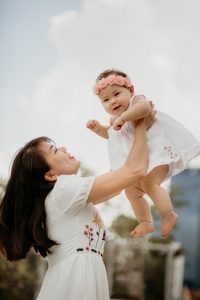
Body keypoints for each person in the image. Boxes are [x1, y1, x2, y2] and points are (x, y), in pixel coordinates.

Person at [0, 111, 155, 300]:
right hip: (74, 282)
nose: (64, 148)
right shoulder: (63, 189)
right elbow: (134, 171)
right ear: (50, 175)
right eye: (55, 151)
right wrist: (139, 123)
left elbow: (118, 180)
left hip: (76, 278)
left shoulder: (62, 197)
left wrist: (124, 133)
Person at [86, 68, 200, 239]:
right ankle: (145, 221)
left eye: (117, 94)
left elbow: (144, 108)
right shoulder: (114, 120)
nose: (113, 101)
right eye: (106, 100)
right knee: (131, 192)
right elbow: (112, 134)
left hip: (156, 156)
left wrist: (124, 118)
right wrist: (99, 129)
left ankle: (168, 214)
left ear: (130, 91)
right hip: (139, 164)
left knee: (149, 184)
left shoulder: (136, 102)